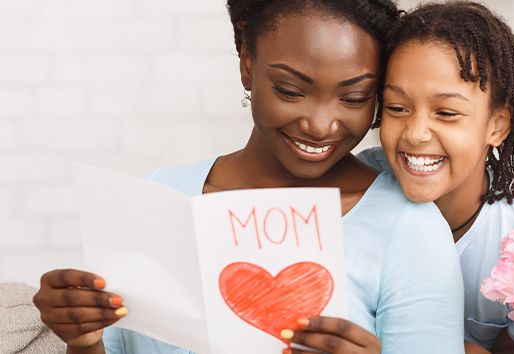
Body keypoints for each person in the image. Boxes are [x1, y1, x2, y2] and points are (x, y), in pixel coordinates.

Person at [32, 1, 467, 353]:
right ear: (246, 64)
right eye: (291, 91)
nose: (320, 125)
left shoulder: (408, 229)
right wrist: (84, 341)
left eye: (354, 97)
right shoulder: (159, 196)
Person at [356, 2, 514, 354]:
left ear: (497, 125)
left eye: (446, 112)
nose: (415, 133)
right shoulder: (355, 193)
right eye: (397, 108)